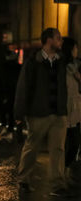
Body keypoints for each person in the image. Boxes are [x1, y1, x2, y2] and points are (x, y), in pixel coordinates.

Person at [14, 28, 69, 197]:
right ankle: (24, 180)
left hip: (59, 112)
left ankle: (57, 184)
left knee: (58, 149)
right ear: (48, 40)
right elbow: (23, 88)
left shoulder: (62, 62)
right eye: (58, 38)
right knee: (32, 146)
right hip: (39, 112)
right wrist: (19, 113)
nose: (61, 41)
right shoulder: (33, 62)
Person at [61, 37, 81, 179]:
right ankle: (61, 173)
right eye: (75, 47)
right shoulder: (61, 67)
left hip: (75, 111)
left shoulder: (76, 68)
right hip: (64, 111)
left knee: (73, 142)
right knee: (68, 143)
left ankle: (64, 171)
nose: (77, 50)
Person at [0, 50, 21, 142]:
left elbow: (1, 80)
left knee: (3, 110)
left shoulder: (3, 68)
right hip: (15, 92)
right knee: (13, 112)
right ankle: (11, 130)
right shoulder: (18, 68)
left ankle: (4, 126)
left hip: (5, 92)